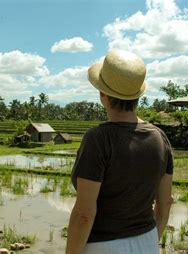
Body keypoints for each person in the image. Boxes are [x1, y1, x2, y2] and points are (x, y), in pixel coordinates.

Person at [66, 50, 174, 254]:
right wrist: (150, 242)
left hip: (103, 246)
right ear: (137, 97)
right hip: (148, 240)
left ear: (102, 95)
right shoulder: (160, 138)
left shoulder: (98, 139)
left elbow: (84, 215)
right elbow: (165, 203)